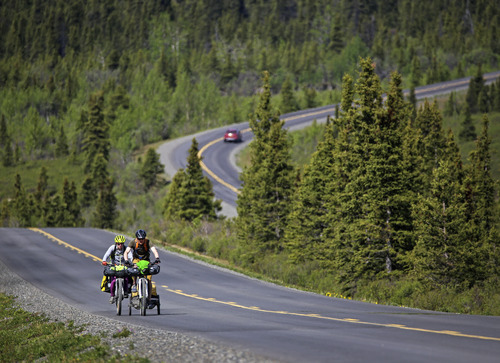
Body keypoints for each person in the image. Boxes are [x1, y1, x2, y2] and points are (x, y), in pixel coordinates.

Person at [124, 229, 160, 308]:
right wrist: (126, 260)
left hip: (146, 261)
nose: (141, 241)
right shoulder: (133, 242)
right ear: (136, 238)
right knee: (134, 276)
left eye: (142, 239)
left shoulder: (148, 242)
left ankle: (149, 299)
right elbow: (126, 252)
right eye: (139, 239)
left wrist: (157, 258)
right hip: (136, 261)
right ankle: (135, 294)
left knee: (149, 279)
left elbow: (154, 250)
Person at [102, 234, 133, 304]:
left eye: (121, 244)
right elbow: (106, 254)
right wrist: (104, 261)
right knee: (113, 281)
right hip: (114, 266)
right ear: (116, 243)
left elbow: (131, 256)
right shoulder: (112, 248)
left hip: (124, 266)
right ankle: (112, 295)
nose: (120, 245)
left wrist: (132, 262)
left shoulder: (126, 248)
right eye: (118, 244)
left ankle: (125, 292)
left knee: (126, 278)